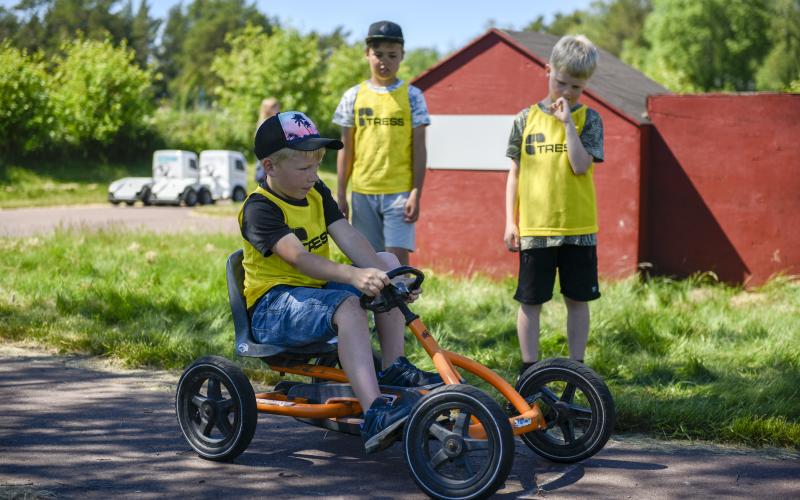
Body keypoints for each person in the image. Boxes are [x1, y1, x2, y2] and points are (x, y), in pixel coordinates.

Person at [240, 111, 441, 454]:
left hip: (315, 297)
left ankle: (392, 368)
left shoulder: (316, 191)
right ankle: (375, 412)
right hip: (272, 308)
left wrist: (390, 279)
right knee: (349, 304)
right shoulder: (260, 208)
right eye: (303, 168)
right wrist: (354, 275)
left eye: (316, 166)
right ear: (270, 167)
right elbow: (299, 258)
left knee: (390, 263)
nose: (313, 176)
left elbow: (346, 234)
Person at [503, 35, 605, 378]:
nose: (566, 91)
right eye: (561, 82)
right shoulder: (524, 119)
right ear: (548, 71)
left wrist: (567, 126)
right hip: (535, 229)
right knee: (530, 302)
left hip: (578, 229)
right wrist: (510, 221)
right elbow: (514, 173)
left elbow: (580, 166)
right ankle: (529, 373)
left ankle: (578, 373)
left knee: (577, 301)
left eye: (576, 86)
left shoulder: (589, 119)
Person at [332, 20, 430, 266]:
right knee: (368, 261)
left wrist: (416, 192)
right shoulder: (353, 96)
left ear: (402, 56)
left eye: (392, 55)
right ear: (367, 54)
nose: (384, 61)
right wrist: (341, 193)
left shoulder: (413, 97)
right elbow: (346, 149)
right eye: (378, 54)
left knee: (397, 261)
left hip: (399, 191)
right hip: (363, 191)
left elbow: (419, 149)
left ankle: (399, 304)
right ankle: (372, 306)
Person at [254, 97, 281, 185]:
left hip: (269, 155)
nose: (278, 110)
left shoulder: (269, 121)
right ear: (269, 109)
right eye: (276, 108)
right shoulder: (266, 122)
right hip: (266, 156)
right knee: (266, 180)